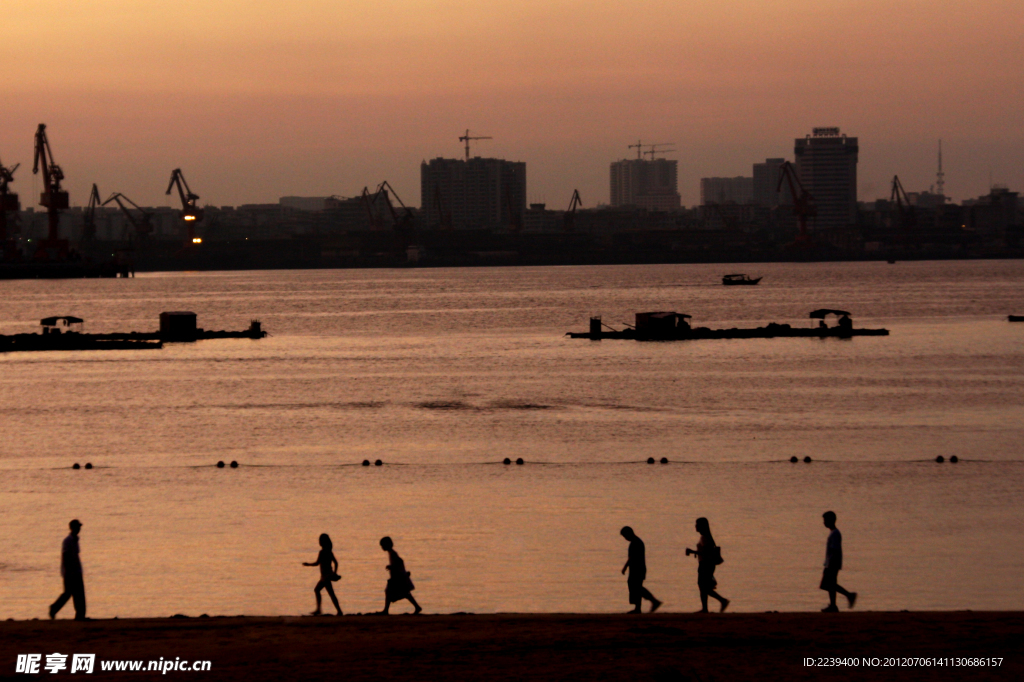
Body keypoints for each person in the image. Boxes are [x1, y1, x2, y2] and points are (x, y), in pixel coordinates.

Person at [685, 518, 729, 613]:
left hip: (706, 565)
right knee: (703, 587)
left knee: (704, 587)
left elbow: (705, 552)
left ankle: (721, 601)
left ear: (702, 526)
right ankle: (706, 607)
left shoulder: (705, 538)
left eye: (697, 524)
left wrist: (692, 551)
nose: (695, 526)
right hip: (705, 564)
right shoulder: (705, 537)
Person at [820, 511, 857, 612]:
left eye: (825, 520)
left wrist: (830, 564)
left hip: (833, 563)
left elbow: (835, 550)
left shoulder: (835, 533)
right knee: (830, 584)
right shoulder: (833, 533)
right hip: (831, 563)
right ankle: (833, 605)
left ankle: (849, 595)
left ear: (831, 520)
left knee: (829, 584)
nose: (824, 522)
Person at [49, 519, 86, 621]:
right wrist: (68, 571)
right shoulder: (67, 541)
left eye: (79, 527)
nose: (79, 529)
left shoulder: (75, 540)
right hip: (70, 572)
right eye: (77, 527)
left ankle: (80, 615)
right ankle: (54, 608)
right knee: (68, 593)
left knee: (79, 594)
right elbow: (65, 557)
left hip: (77, 571)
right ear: (72, 528)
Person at [620, 526, 662, 614]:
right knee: (636, 587)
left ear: (629, 533)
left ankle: (652, 602)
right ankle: (638, 607)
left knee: (636, 587)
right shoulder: (636, 541)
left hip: (637, 568)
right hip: (637, 568)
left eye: (625, 536)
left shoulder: (636, 542)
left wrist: (625, 567)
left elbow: (632, 557)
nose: (625, 538)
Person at [302, 533, 342, 616]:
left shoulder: (322, 552)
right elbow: (336, 563)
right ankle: (320, 609)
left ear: (322, 542)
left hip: (326, 576)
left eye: (320, 541)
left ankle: (337, 611)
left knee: (328, 593)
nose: (319, 542)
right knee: (319, 590)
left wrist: (308, 564)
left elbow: (317, 563)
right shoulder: (329, 552)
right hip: (326, 576)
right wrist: (334, 572)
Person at [379, 537, 421, 615]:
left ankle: (386, 610)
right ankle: (417, 607)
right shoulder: (391, 553)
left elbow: (399, 562)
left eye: (383, 545)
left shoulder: (393, 553)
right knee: (398, 592)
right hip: (397, 577)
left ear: (387, 545)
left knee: (395, 592)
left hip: (398, 577)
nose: (382, 547)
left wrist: (392, 567)